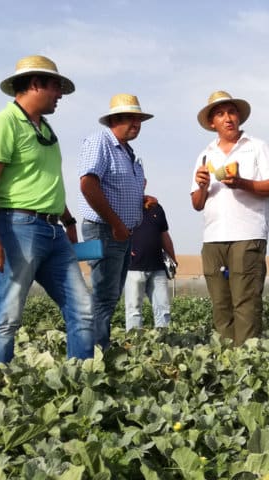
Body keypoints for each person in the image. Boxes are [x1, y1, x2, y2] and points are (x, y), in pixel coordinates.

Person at [0, 55, 94, 365]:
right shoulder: (3, 123)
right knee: (8, 314)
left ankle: (83, 381)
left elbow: (46, 182)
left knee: (82, 307)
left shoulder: (46, 130)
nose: (60, 95)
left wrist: (67, 221)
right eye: (56, 86)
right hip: (18, 229)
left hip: (53, 231)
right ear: (35, 84)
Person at [191, 91, 269, 346]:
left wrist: (241, 182)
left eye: (231, 112)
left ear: (239, 116)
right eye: (220, 114)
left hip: (247, 234)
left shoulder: (257, 147)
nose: (227, 118)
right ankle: (226, 363)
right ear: (212, 123)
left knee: (246, 303)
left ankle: (247, 362)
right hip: (213, 238)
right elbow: (197, 204)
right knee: (220, 305)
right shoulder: (205, 156)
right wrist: (202, 186)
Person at [78, 94, 152, 348]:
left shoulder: (127, 152)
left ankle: (99, 345)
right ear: (115, 119)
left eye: (139, 119)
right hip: (104, 229)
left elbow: (115, 189)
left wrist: (139, 199)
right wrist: (116, 223)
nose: (137, 124)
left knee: (111, 294)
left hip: (119, 231)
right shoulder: (101, 141)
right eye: (132, 118)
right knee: (103, 295)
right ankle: (94, 349)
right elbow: (88, 184)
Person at [124, 194, 177, 331]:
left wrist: (173, 259)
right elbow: (114, 231)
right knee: (134, 310)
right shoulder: (123, 205)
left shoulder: (156, 208)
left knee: (163, 309)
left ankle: (163, 343)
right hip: (133, 267)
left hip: (157, 267)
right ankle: (135, 346)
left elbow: (164, 235)